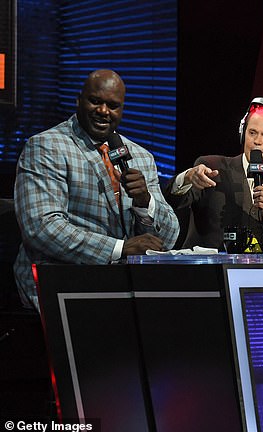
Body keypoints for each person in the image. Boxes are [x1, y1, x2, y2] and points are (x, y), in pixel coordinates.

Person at [13, 69, 180, 310]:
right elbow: (42, 227)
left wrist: (145, 203)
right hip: (59, 286)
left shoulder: (141, 157)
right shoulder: (46, 147)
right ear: (78, 101)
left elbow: (167, 240)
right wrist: (121, 248)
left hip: (123, 290)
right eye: (95, 101)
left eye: (112, 105)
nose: (103, 111)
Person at [164, 97, 263, 251]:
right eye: (252, 132)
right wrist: (187, 177)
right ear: (243, 133)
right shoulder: (212, 168)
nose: (257, 141)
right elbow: (170, 203)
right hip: (208, 272)